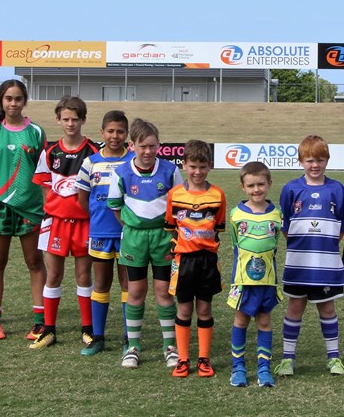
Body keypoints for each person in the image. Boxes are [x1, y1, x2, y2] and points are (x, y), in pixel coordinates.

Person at [107, 119, 183, 369]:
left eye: (152, 146)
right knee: (136, 292)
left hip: (163, 238)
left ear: (159, 144)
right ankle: (133, 347)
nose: (148, 151)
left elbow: (180, 204)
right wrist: (132, 227)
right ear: (132, 146)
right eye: (142, 146)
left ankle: (170, 346)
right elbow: (115, 207)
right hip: (134, 239)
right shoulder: (121, 172)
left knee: (163, 291)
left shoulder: (170, 170)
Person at [0, 79, 47, 340]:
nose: (13, 103)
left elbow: (42, 171)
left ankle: (40, 321)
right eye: (8, 98)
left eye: (18, 98)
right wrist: (2, 189)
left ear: (24, 101)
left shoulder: (36, 132)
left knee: (34, 262)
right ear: (1, 101)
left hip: (31, 206)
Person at [274, 135, 344, 377]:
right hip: (299, 263)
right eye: (309, 160)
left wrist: (323, 246)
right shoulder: (291, 189)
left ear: (327, 160)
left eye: (320, 160)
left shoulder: (336, 189)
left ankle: (333, 358)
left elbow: (342, 226)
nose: (315, 165)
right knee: (295, 307)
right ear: (300, 161)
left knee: (327, 308)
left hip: (325, 263)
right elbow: (286, 225)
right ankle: (288, 359)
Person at [29, 96, 99, 349]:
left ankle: (88, 329)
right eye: (66, 119)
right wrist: (54, 210)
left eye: (75, 119)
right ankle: (48, 330)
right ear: (58, 120)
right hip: (56, 222)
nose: (70, 124)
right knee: (54, 274)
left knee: (83, 275)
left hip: (84, 222)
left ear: (83, 120)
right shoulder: (50, 152)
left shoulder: (93, 152)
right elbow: (45, 187)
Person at [75, 110, 135, 356]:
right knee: (101, 283)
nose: (115, 136)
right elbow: (82, 198)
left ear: (126, 134)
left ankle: (129, 338)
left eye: (120, 131)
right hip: (100, 232)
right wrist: (98, 217)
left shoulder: (133, 161)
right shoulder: (90, 162)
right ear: (102, 133)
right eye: (110, 131)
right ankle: (97, 337)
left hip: (128, 233)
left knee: (128, 285)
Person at [165, 140, 226, 378]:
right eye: (192, 166)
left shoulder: (217, 195)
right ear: (184, 165)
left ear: (209, 166)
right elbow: (171, 226)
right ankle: (183, 359)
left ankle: (204, 359)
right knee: (183, 309)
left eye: (202, 166)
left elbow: (218, 227)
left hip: (207, 261)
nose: (197, 172)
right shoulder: (175, 195)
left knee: (204, 308)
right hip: (184, 261)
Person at [227, 161, 283, 387]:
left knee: (264, 321)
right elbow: (235, 245)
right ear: (243, 187)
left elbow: (275, 244)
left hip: (267, 279)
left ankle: (264, 368)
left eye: (261, 184)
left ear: (269, 184)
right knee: (241, 320)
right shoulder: (235, 215)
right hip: (243, 280)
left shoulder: (276, 215)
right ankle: (238, 367)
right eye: (251, 185)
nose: (256, 189)